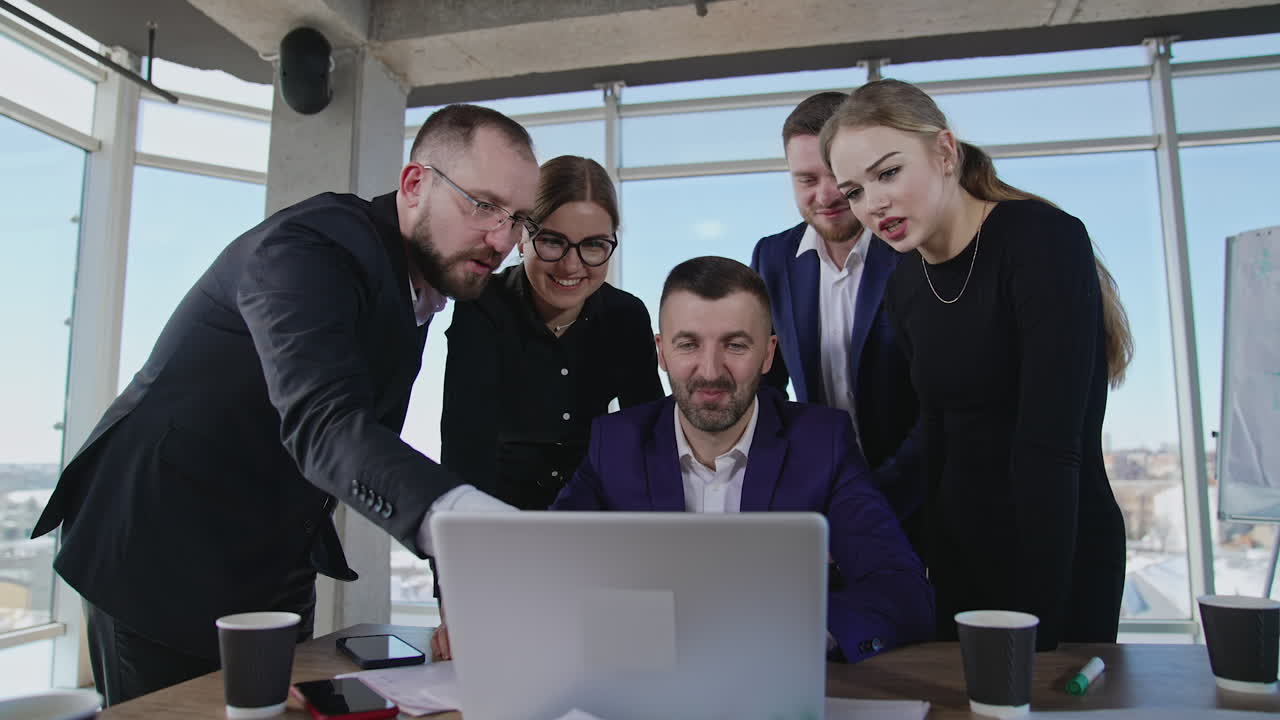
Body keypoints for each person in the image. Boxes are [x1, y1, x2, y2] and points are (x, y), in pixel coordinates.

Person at [30, 104, 539, 704]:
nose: (502, 239)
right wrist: (477, 532)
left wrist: (456, 581)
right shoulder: (311, 247)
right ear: (413, 184)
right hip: (158, 545)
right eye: (482, 205)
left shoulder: (421, 283)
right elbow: (326, 426)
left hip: (272, 558)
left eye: (517, 219)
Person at [820, 79, 1133, 651]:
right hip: (963, 559)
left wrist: (1038, 626)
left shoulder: (1041, 240)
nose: (874, 205)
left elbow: (1054, 446)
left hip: (1058, 551)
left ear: (944, 152)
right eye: (855, 191)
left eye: (888, 173)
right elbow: (937, 446)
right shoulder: (905, 284)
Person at [551, 256, 934, 662]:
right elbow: (548, 568)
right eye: (688, 344)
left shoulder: (822, 443)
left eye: (735, 345)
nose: (711, 372)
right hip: (647, 678)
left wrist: (800, 636)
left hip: (777, 681)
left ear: (768, 354)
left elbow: (902, 590)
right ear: (661, 351)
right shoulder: (615, 443)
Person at [751, 92, 924, 553]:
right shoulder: (773, 258)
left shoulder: (911, 248)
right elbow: (767, 385)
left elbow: (940, 401)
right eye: (806, 178)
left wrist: (878, 499)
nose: (825, 195)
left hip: (925, 499)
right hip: (825, 505)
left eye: (836, 177)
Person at [441, 155, 663, 509]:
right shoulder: (482, 306)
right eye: (552, 241)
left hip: (596, 514)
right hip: (499, 515)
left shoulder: (626, 316)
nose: (571, 265)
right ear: (521, 237)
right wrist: (460, 550)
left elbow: (649, 442)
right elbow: (465, 448)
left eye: (593, 244)